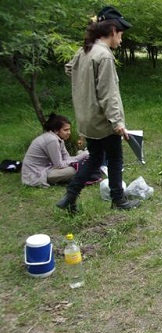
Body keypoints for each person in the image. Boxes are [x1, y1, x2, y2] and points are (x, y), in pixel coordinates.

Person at [56, 6, 140, 213]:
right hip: (103, 121)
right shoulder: (104, 55)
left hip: (86, 119)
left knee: (94, 159)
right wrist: (117, 122)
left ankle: (71, 194)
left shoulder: (84, 50)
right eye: (120, 33)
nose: (121, 38)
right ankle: (118, 200)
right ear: (112, 30)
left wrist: (83, 85)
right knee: (114, 158)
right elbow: (108, 94)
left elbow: (69, 69)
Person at [22, 113, 89, 187]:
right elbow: (59, 165)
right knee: (73, 170)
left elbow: (67, 158)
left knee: (80, 153)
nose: (69, 132)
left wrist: (81, 156)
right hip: (36, 174)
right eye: (66, 130)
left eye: (69, 129)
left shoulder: (59, 139)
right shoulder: (52, 140)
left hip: (47, 168)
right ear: (56, 130)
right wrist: (82, 156)